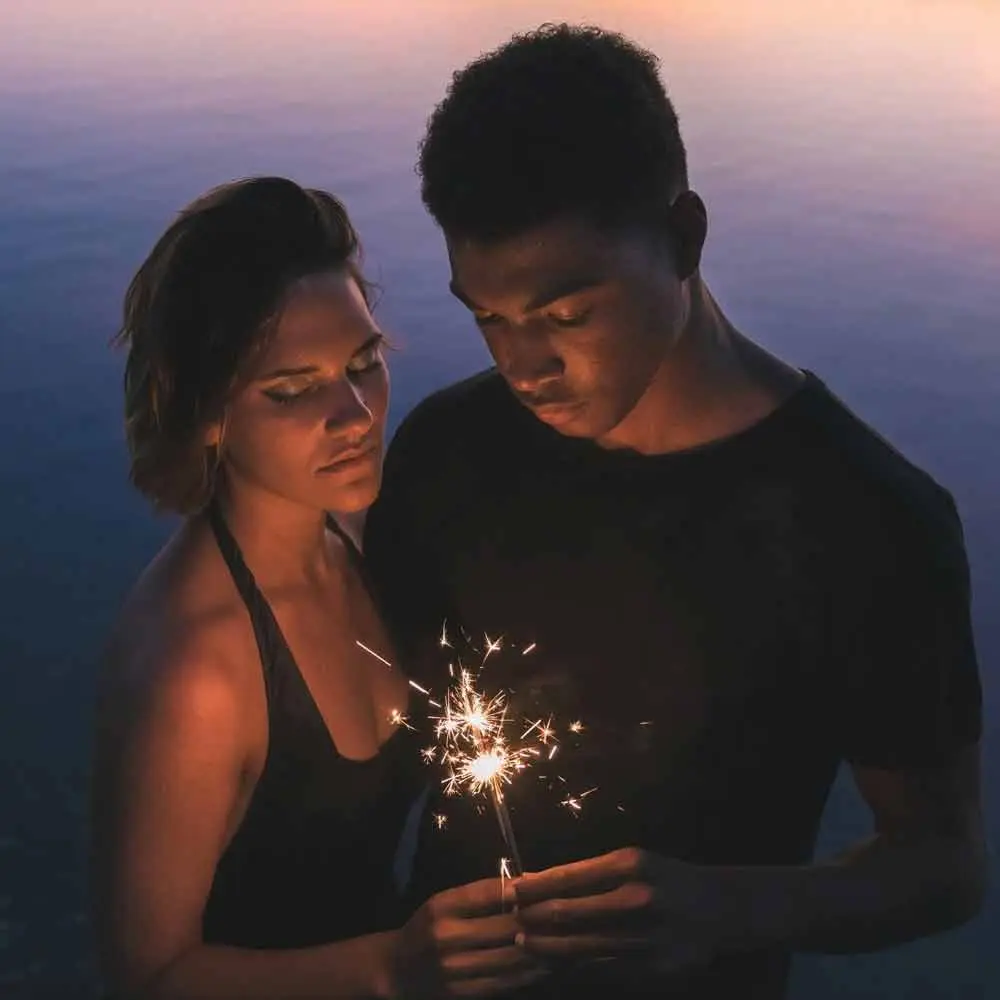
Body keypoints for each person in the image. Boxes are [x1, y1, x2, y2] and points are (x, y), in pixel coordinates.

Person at [363, 24, 988, 1000]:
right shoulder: (448, 452)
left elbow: (941, 867)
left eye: (567, 314)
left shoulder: (865, 518)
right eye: (487, 316)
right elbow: (384, 745)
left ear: (685, 236)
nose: (523, 366)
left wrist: (733, 907)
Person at [91, 177, 547, 1000]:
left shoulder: (359, 531)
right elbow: (149, 976)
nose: (357, 415)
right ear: (207, 413)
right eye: (294, 390)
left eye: (364, 363)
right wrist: (392, 968)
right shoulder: (199, 673)